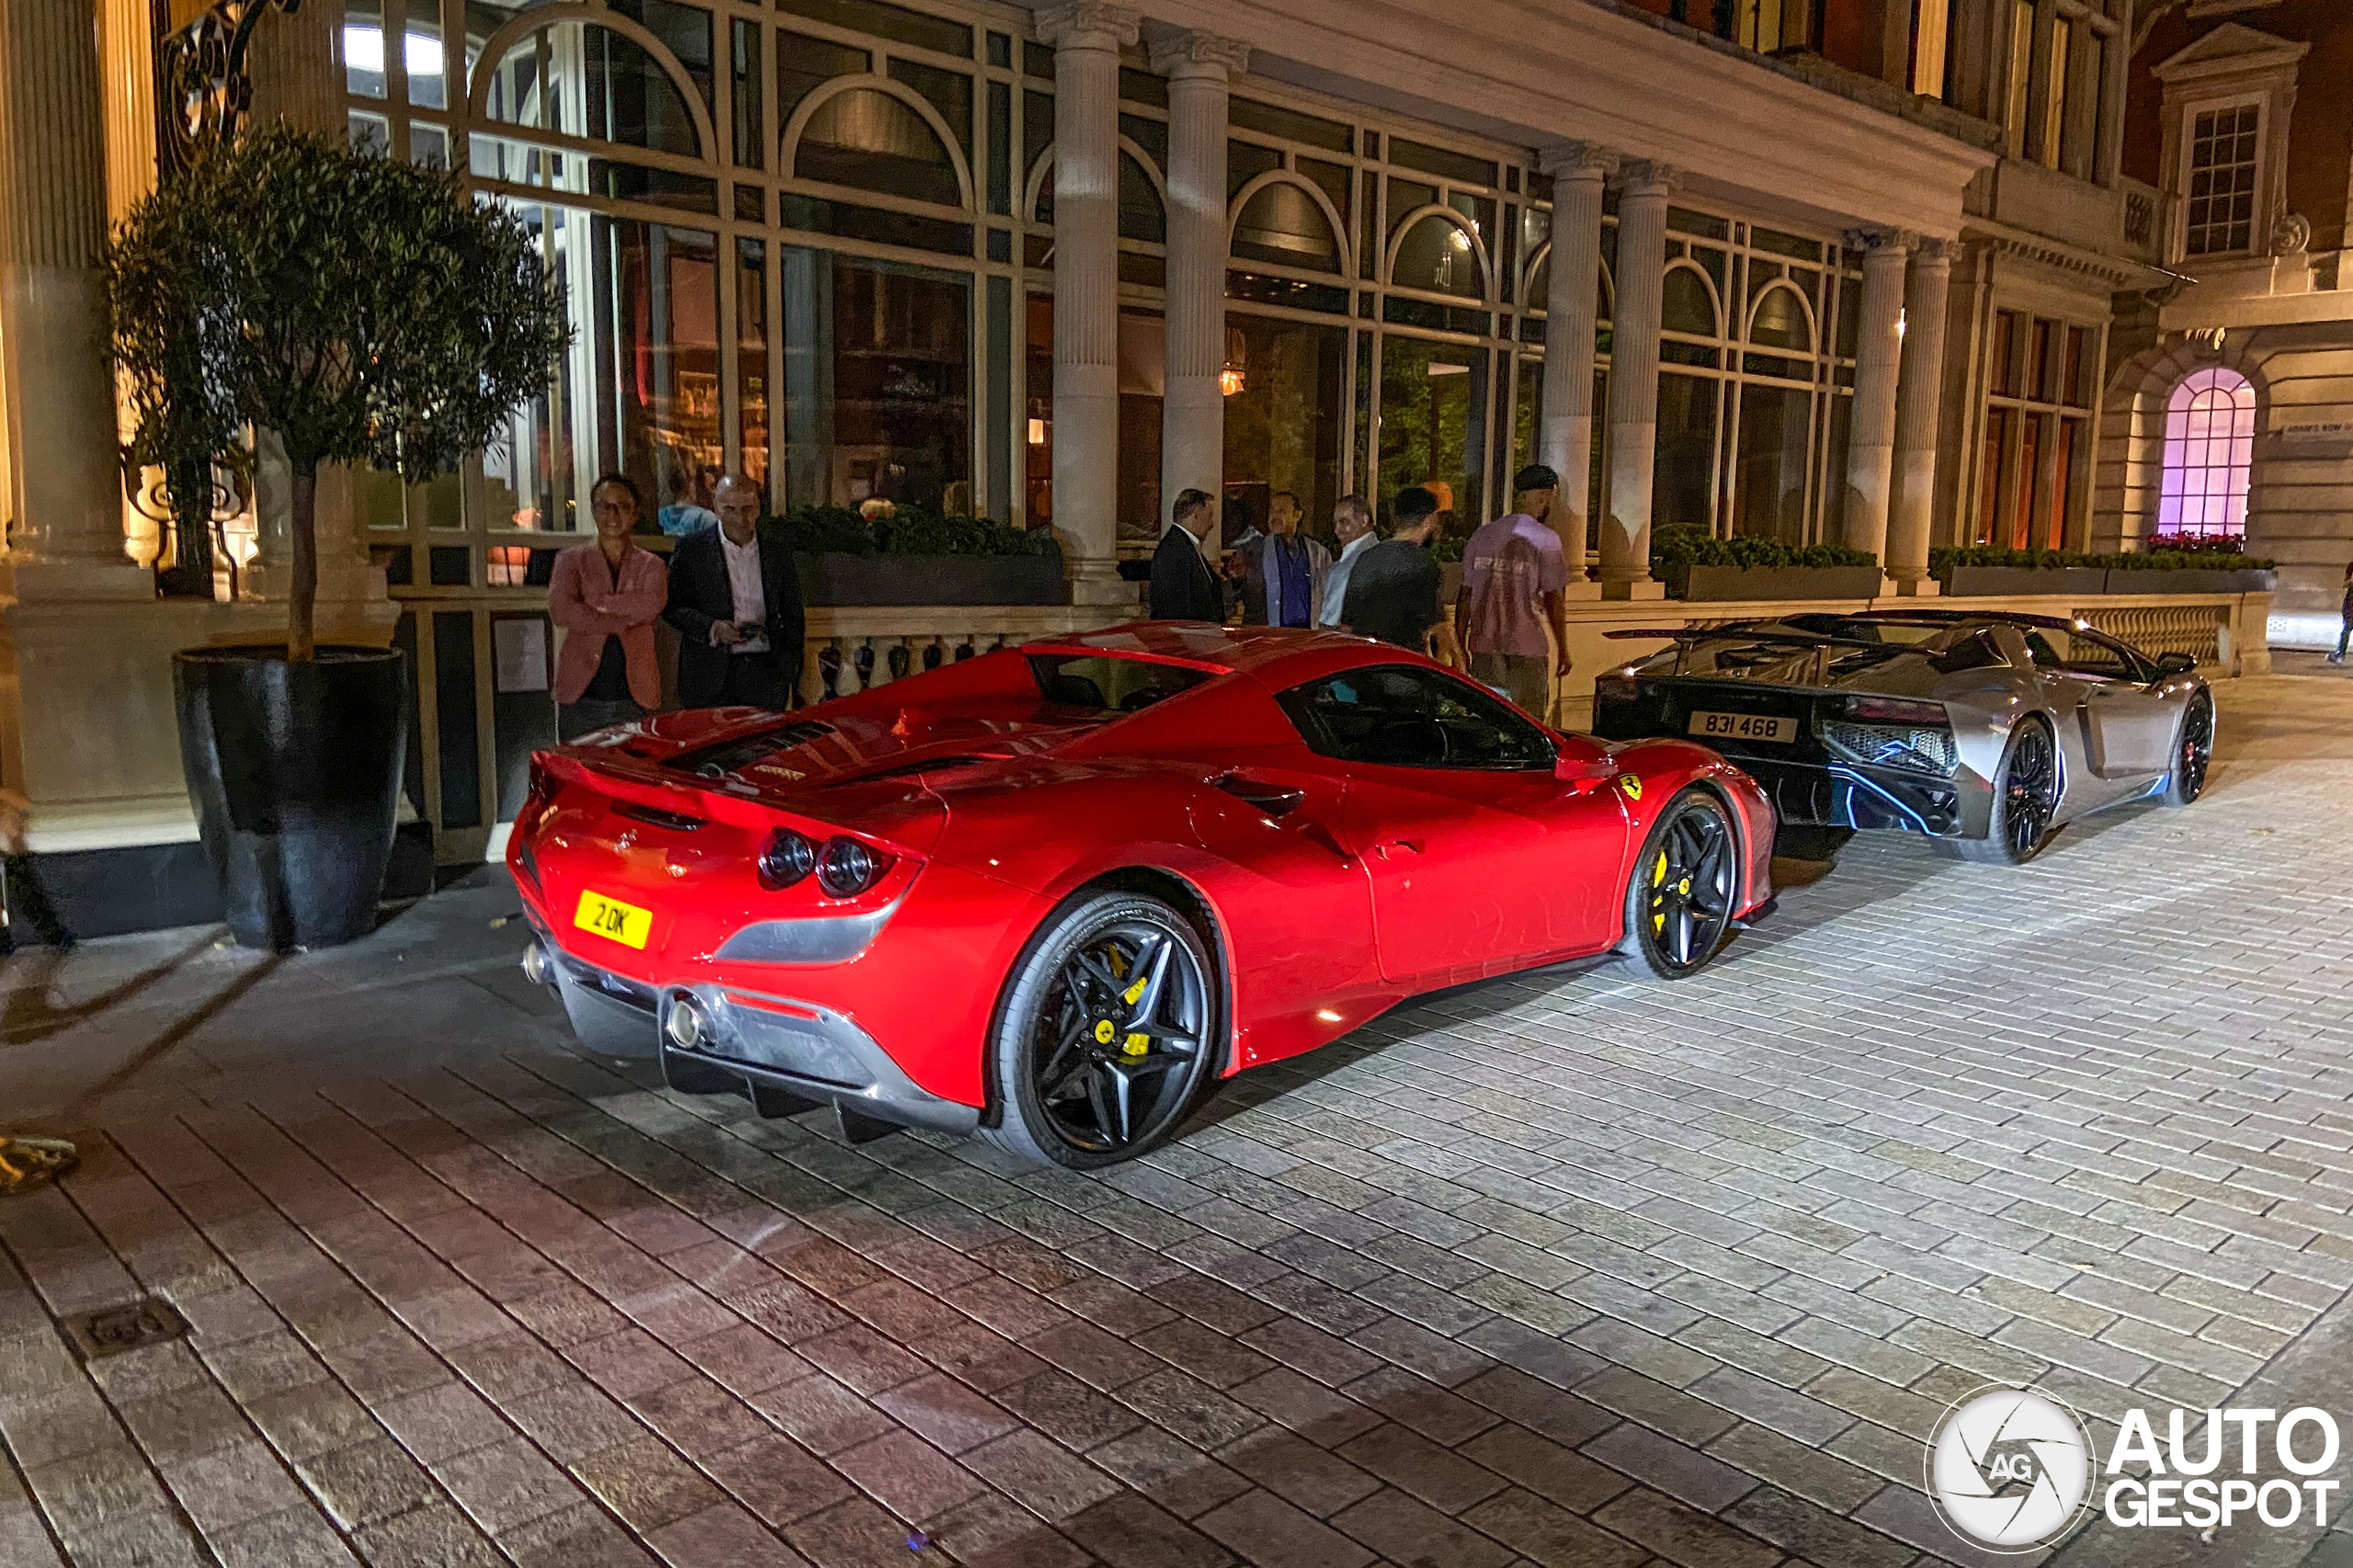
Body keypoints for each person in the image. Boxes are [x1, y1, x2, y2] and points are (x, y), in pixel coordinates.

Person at [665, 473, 805, 710]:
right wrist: (713, 628)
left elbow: (793, 612)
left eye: (747, 508)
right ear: (715, 507)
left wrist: (790, 666)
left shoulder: (776, 550)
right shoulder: (692, 550)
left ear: (758, 507)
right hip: (711, 671)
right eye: (730, 509)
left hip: (766, 670)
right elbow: (673, 608)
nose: (740, 518)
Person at [550, 473, 667, 740]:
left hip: (635, 697)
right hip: (580, 696)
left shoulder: (652, 565)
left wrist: (597, 602)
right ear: (593, 510)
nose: (612, 515)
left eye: (622, 506)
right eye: (604, 506)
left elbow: (650, 605)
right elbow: (561, 610)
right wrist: (619, 621)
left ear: (635, 513)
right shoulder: (569, 561)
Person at [1456, 463, 1572, 718]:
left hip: (1484, 645)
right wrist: (1564, 648)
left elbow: (1465, 593)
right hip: (1526, 645)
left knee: (1490, 719)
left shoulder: (1482, 535)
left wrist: (1460, 641)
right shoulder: (1546, 540)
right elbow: (1554, 598)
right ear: (1544, 494)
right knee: (1529, 721)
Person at [1342, 486, 1461, 665]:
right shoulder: (1423, 563)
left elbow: (1347, 624)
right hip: (1404, 667)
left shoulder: (1366, 558)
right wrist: (1461, 664)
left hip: (1366, 667)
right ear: (1429, 520)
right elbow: (1438, 627)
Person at [1232, 491, 1332, 628]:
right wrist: (1236, 578)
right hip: (1267, 638)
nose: (1275, 516)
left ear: (1298, 515)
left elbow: (1329, 597)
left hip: (1307, 637)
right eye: (1272, 511)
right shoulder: (1253, 551)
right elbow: (1234, 596)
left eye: (1281, 511)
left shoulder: (1318, 554)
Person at [0, 789, 73, 953]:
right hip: (13, 859)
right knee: (28, 901)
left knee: (29, 900)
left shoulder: (7, 807)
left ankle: (57, 937)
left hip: (14, 860)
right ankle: (56, 937)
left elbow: (25, 810)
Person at [1149, 488, 1224, 620]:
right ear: (1194, 515)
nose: (1212, 525)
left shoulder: (1187, 547)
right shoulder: (1174, 550)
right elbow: (1176, 608)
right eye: (1209, 516)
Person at [1315, 495, 1378, 629]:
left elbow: (1329, 619)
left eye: (1344, 522)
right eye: (1335, 523)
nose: (1337, 530)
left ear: (1364, 520)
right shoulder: (1376, 553)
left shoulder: (1355, 561)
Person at [656, 466, 717, 537]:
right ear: (691, 486)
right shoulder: (705, 519)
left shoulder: (660, 515)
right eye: (711, 486)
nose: (713, 492)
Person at [2334, 560, 2353, 664]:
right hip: (2351, 602)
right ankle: (2340, 654)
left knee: (2346, 630)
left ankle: (2340, 654)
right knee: (2346, 630)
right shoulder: (2351, 566)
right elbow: (2345, 584)